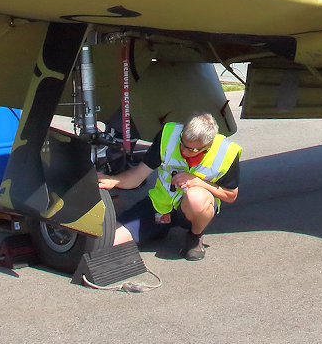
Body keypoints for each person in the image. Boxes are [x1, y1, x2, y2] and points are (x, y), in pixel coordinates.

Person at [97, 112, 240, 261]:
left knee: (195, 198)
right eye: (182, 143)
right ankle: (159, 227)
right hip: (160, 207)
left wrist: (199, 182)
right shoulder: (168, 135)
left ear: (207, 146)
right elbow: (138, 175)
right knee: (107, 241)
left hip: (190, 212)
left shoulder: (226, 153)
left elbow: (231, 195)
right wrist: (114, 180)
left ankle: (195, 235)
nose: (183, 151)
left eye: (192, 150)